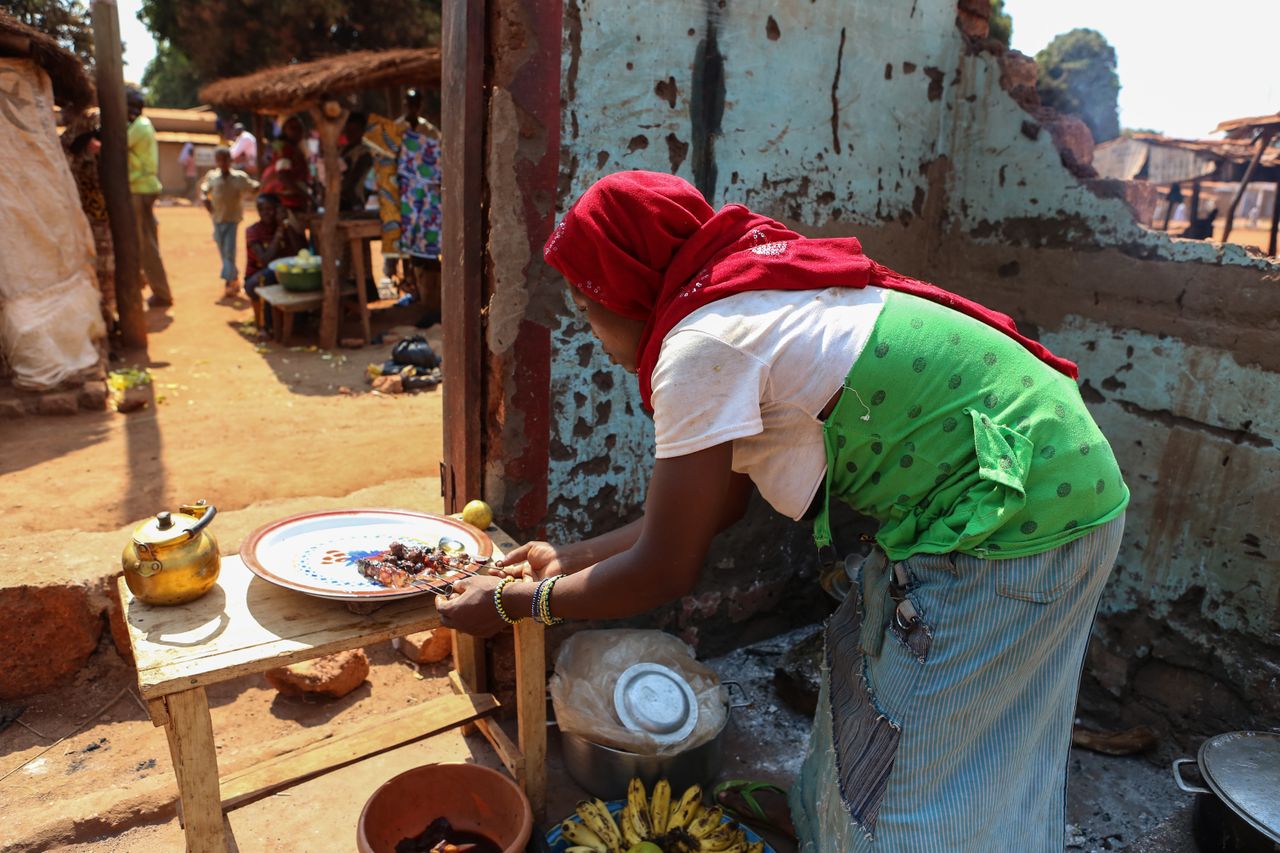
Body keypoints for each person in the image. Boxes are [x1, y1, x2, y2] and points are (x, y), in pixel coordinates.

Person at [435, 172, 1131, 852]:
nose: (590, 328)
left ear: (621, 290)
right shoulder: (740, 295)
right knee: (866, 676)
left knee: (922, 756)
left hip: (1018, 507)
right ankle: (821, 822)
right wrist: (573, 555)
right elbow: (714, 510)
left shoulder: (701, 346)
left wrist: (519, 603)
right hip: (1003, 479)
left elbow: (667, 568)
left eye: (586, 306)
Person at [61, 110, 115, 334]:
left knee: (102, 275)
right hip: (85, 223)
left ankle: (106, 322)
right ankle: (102, 323)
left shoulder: (90, 154)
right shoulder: (71, 152)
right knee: (95, 275)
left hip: (95, 222)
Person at [126, 86, 174, 309]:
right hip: (141, 188)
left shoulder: (139, 126)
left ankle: (162, 293)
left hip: (140, 188)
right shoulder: (140, 125)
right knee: (141, 240)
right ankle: (144, 279)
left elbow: (119, 142)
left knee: (146, 244)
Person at [200, 147, 259, 299]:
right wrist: (204, 198)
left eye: (225, 159)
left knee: (229, 251)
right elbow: (204, 190)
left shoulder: (239, 178)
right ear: (216, 161)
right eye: (219, 160)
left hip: (232, 220)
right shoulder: (212, 177)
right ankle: (234, 278)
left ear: (231, 161)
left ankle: (229, 282)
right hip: (217, 219)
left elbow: (253, 187)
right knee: (223, 251)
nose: (223, 163)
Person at [244, 193, 306, 334]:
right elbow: (265, 260)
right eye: (261, 209)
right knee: (270, 275)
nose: (265, 213)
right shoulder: (253, 231)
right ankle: (266, 326)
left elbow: (300, 252)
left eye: (270, 209)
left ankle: (297, 322)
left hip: (284, 277)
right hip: (257, 279)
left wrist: (286, 226)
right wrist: (279, 232)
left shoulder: (288, 229)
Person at [259, 115, 311, 212]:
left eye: (300, 128)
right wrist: (306, 195)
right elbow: (283, 176)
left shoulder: (295, 148)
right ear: (284, 131)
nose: (297, 131)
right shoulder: (284, 150)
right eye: (293, 128)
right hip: (285, 202)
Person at [339, 112, 373, 211]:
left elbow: (354, 179)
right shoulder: (342, 150)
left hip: (353, 201)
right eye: (348, 130)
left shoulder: (365, 152)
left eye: (355, 130)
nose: (351, 134)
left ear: (363, 131)